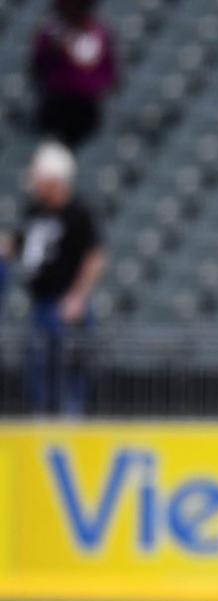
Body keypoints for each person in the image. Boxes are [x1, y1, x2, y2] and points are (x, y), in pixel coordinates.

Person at [11, 143, 103, 417]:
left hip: (65, 302)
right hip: (40, 301)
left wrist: (77, 297)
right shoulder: (35, 212)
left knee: (68, 364)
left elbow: (94, 256)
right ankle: (43, 417)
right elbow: (19, 244)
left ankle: (69, 421)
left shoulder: (77, 213)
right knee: (40, 365)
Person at [29, 0, 118, 148]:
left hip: (87, 107)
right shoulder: (51, 33)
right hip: (56, 105)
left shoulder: (100, 33)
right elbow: (38, 67)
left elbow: (109, 71)